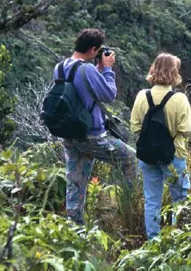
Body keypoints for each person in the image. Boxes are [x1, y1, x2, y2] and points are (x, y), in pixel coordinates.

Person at [58, 28, 136, 225]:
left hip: (69, 135)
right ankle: (130, 206)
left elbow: (82, 90)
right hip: (92, 136)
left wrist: (98, 71)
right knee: (130, 159)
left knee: (75, 184)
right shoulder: (88, 69)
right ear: (93, 49)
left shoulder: (61, 67)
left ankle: (74, 227)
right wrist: (108, 69)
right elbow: (109, 95)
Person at [130, 53, 191, 240]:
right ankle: (177, 241)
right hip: (173, 155)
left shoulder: (143, 95)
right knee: (180, 200)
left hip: (147, 155)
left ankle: (153, 242)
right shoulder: (179, 99)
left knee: (151, 200)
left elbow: (135, 127)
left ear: (153, 69)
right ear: (174, 72)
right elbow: (187, 129)